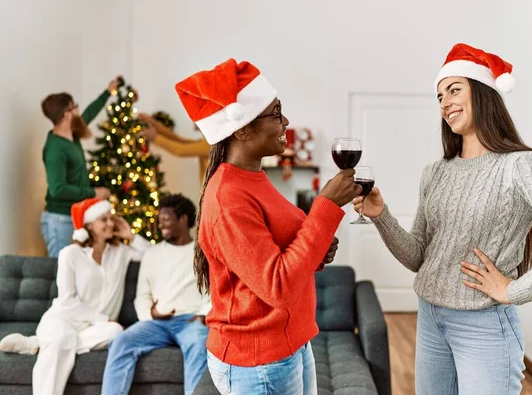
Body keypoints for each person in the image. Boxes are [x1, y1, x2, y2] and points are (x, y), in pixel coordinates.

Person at [352, 43, 532, 395]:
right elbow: (419, 257)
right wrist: (381, 217)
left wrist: (514, 290)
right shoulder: (435, 172)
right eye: (439, 96)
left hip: (484, 327)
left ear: (483, 93)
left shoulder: (521, 165)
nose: (445, 103)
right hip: (430, 318)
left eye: (455, 90)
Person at [174, 59, 359, 394]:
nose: (285, 122)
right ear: (241, 128)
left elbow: (272, 257)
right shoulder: (229, 197)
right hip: (258, 361)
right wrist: (326, 208)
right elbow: (277, 285)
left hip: (289, 345)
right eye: (275, 112)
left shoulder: (253, 178)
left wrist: (316, 252)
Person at [0, 197, 151, 395]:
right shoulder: (69, 254)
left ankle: (37, 344)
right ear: (88, 225)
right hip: (64, 318)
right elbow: (67, 300)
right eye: (103, 219)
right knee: (61, 338)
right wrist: (103, 318)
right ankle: (48, 344)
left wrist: (130, 236)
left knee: (115, 331)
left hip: (97, 328)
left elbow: (153, 255)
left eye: (110, 218)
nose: (110, 223)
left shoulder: (121, 252)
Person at [101, 194, 212, 395]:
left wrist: (204, 314)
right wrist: (149, 314)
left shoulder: (202, 252)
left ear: (184, 219)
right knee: (121, 342)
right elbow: (142, 296)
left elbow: (215, 290)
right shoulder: (152, 254)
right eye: (159, 222)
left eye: (166, 220)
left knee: (199, 344)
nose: (161, 226)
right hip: (157, 323)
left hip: (191, 321)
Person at [40, 76, 122, 257]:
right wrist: (94, 193)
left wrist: (108, 93)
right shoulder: (55, 149)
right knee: (59, 274)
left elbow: (88, 115)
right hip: (59, 221)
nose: (78, 109)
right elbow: (57, 189)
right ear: (66, 115)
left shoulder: (72, 134)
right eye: (74, 106)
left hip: (73, 216)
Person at [138, 112, 211, 184]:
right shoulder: (206, 142)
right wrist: (154, 123)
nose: (192, 119)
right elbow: (180, 141)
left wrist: (156, 138)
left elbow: (181, 150)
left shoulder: (211, 145)